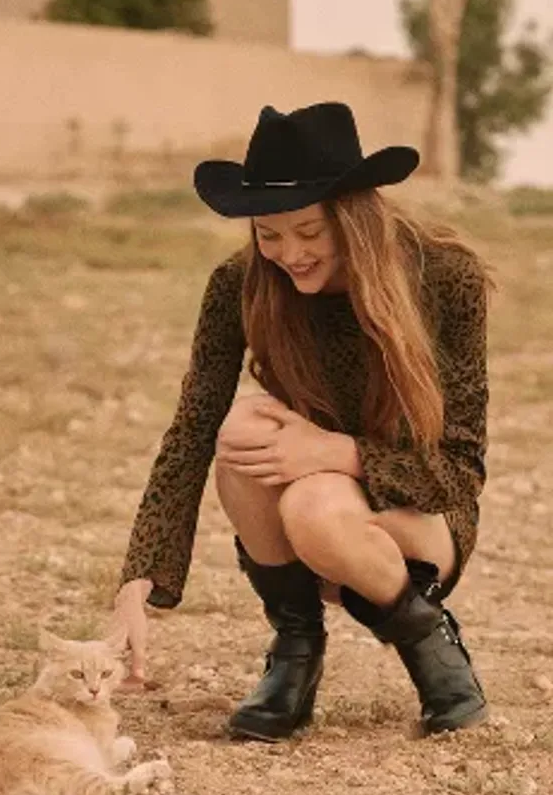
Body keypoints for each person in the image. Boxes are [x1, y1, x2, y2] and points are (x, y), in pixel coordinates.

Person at [113, 102, 492, 742]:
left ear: (354, 219)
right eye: (270, 233)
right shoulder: (241, 283)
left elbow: (459, 472)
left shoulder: (443, 276)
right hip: (306, 516)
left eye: (310, 232)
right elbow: (192, 428)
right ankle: (296, 649)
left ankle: (431, 644)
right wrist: (138, 579)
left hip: (418, 522)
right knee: (240, 431)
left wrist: (336, 452)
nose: (290, 253)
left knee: (315, 505)